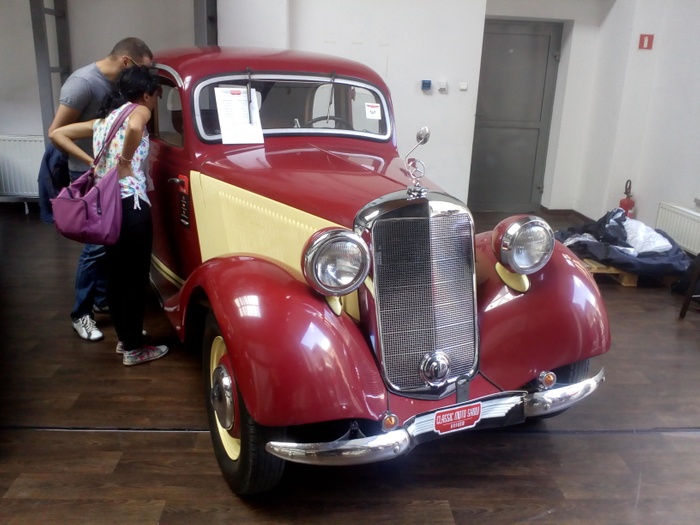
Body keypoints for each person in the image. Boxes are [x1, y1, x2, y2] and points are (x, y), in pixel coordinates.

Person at [49, 66, 168, 366]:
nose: (155, 100)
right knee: (135, 278)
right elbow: (135, 128)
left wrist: (91, 161)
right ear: (145, 94)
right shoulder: (139, 110)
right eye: (156, 94)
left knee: (116, 276)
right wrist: (125, 161)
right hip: (131, 205)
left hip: (108, 206)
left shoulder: (104, 120)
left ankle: (126, 338)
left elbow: (58, 133)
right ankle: (134, 349)